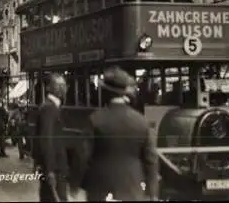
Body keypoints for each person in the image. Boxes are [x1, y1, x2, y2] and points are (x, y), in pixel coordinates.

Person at [75, 66, 159, 201]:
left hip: (100, 188)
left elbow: (82, 156)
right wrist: (153, 192)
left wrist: (77, 185)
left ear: (106, 93)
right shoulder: (141, 121)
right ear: (125, 94)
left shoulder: (95, 120)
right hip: (132, 189)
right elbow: (151, 159)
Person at [34, 73, 69, 202]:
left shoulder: (52, 107)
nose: (62, 89)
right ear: (49, 88)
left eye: (64, 85)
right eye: (58, 85)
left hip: (54, 168)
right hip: (54, 169)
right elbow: (46, 139)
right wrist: (49, 170)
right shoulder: (49, 108)